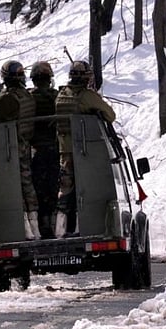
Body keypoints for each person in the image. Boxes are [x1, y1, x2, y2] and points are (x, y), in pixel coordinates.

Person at [0, 60, 40, 240]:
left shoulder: (9, 98)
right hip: (25, 145)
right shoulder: (27, 96)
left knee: (14, 188)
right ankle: (35, 227)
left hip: (9, 149)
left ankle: (25, 229)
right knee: (27, 186)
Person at [54, 60, 116, 238]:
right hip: (85, 151)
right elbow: (110, 116)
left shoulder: (61, 95)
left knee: (65, 190)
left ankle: (61, 229)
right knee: (87, 189)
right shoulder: (87, 96)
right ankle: (83, 228)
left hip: (64, 152)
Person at [28, 61, 59, 239]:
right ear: (49, 78)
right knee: (54, 188)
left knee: (37, 189)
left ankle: (42, 223)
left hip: (35, 151)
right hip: (56, 150)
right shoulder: (57, 97)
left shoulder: (28, 98)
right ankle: (55, 223)